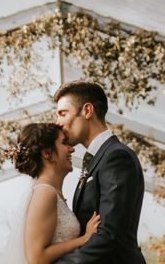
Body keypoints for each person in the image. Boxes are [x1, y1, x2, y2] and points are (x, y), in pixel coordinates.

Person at [53, 81, 146, 263]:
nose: (58, 123)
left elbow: (109, 236)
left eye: (62, 114)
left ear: (87, 111)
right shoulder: (99, 158)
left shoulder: (116, 157)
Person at [2, 123, 102, 264]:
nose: (72, 149)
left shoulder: (50, 192)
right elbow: (37, 258)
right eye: (64, 143)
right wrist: (84, 239)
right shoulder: (45, 193)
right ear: (47, 153)